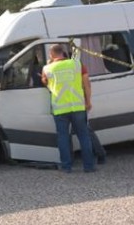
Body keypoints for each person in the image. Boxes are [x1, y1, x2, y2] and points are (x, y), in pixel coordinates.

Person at [41, 44, 95, 173]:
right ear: (63, 53)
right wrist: (88, 101)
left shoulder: (47, 68)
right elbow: (87, 84)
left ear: (51, 54)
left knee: (63, 137)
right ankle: (88, 166)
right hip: (78, 106)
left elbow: (44, 82)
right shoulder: (76, 64)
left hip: (60, 109)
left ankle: (66, 167)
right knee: (83, 136)